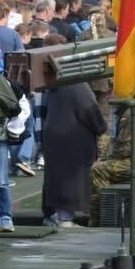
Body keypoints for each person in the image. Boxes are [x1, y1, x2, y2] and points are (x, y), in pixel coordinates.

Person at [39, 67, 105, 226]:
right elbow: (91, 112)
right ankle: (65, 219)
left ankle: (53, 216)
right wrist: (101, 127)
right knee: (70, 184)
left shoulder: (51, 85)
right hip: (73, 141)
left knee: (55, 181)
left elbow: (42, 112)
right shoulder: (78, 85)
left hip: (53, 138)